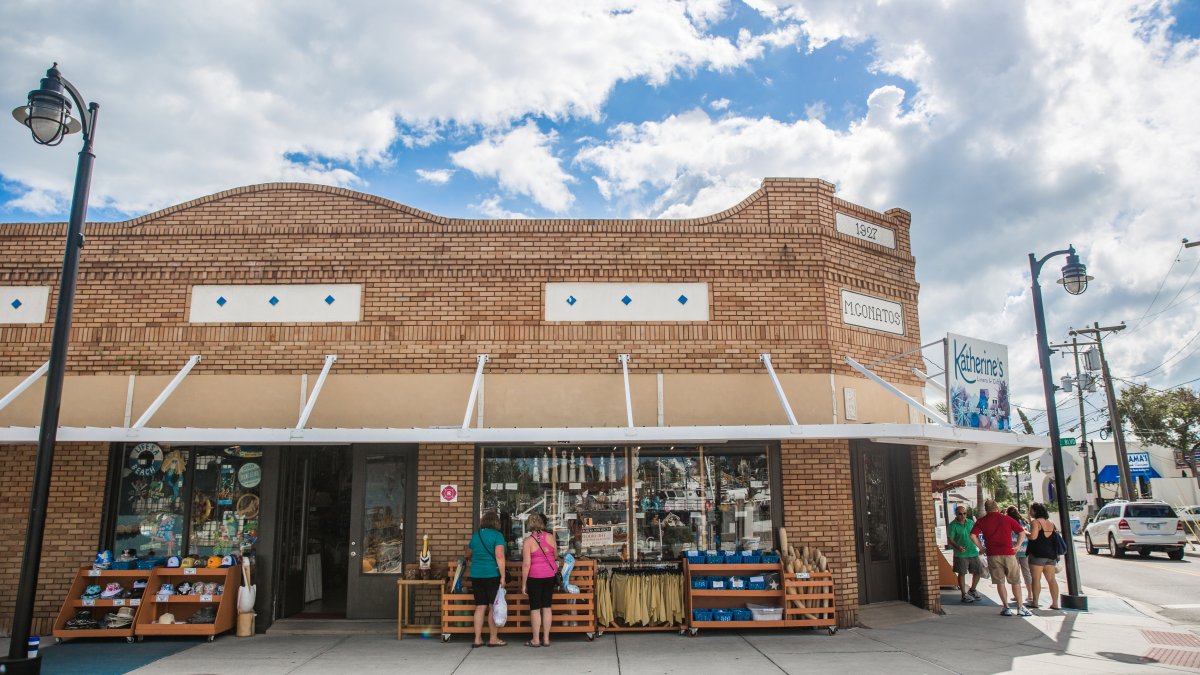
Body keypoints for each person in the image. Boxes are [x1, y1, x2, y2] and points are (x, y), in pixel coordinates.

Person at [971, 499, 1030, 617]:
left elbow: (973, 535)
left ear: (986, 509)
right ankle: (1020, 607)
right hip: (1009, 553)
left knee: (1000, 582)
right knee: (1015, 581)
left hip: (992, 554)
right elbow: (1022, 532)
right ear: (997, 507)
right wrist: (1017, 546)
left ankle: (1006, 607)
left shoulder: (982, 521)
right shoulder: (1007, 519)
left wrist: (981, 547)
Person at [465, 511, 507, 648]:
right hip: (492, 575)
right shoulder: (497, 536)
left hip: (476, 575)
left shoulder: (476, 535)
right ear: (496, 522)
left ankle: (477, 639)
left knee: (480, 607)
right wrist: (503, 576)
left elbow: (468, 553)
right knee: (492, 607)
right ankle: (493, 639)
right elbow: (500, 556)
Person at [521, 513, 558, 647]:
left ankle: (536, 640)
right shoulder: (551, 537)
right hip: (550, 575)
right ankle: (546, 639)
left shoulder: (528, 541)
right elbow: (555, 555)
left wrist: (523, 584)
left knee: (535, 608)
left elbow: (526, 564)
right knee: (547, 606)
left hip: (534, 577)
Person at [1026, 502, 1061, 610]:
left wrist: (1024, 532)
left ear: (1035, 511)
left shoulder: (1035, 522)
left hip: (1037, 554)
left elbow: (1033, 537)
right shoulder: (1051, 522)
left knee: (1036, 578)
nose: (1029, 512)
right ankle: (1055, 603)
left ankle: (1035, 602)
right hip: (1051, 555)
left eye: (1031, 510)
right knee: (1051, 579)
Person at [947, 506, 982, 602]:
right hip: (961, 554)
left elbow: (975, 536)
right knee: (962, 573)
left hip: (973, 552)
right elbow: (950, 539)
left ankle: (972, 590)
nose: (963, 516)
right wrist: (957, 546)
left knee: (978, 571)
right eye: (960, 514)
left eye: (964, 513)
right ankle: (964, 594)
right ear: (956, 514)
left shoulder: (970, 522)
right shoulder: (952, 525)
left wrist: (980, 547)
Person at [1006, 505, 1033, 597]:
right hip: (1025, 549)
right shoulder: (1024, 522)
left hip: (1013, 550)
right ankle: (1030, 594)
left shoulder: (1008, 522)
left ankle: (1017, 595)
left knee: (1014, 573)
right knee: (1026, 572)